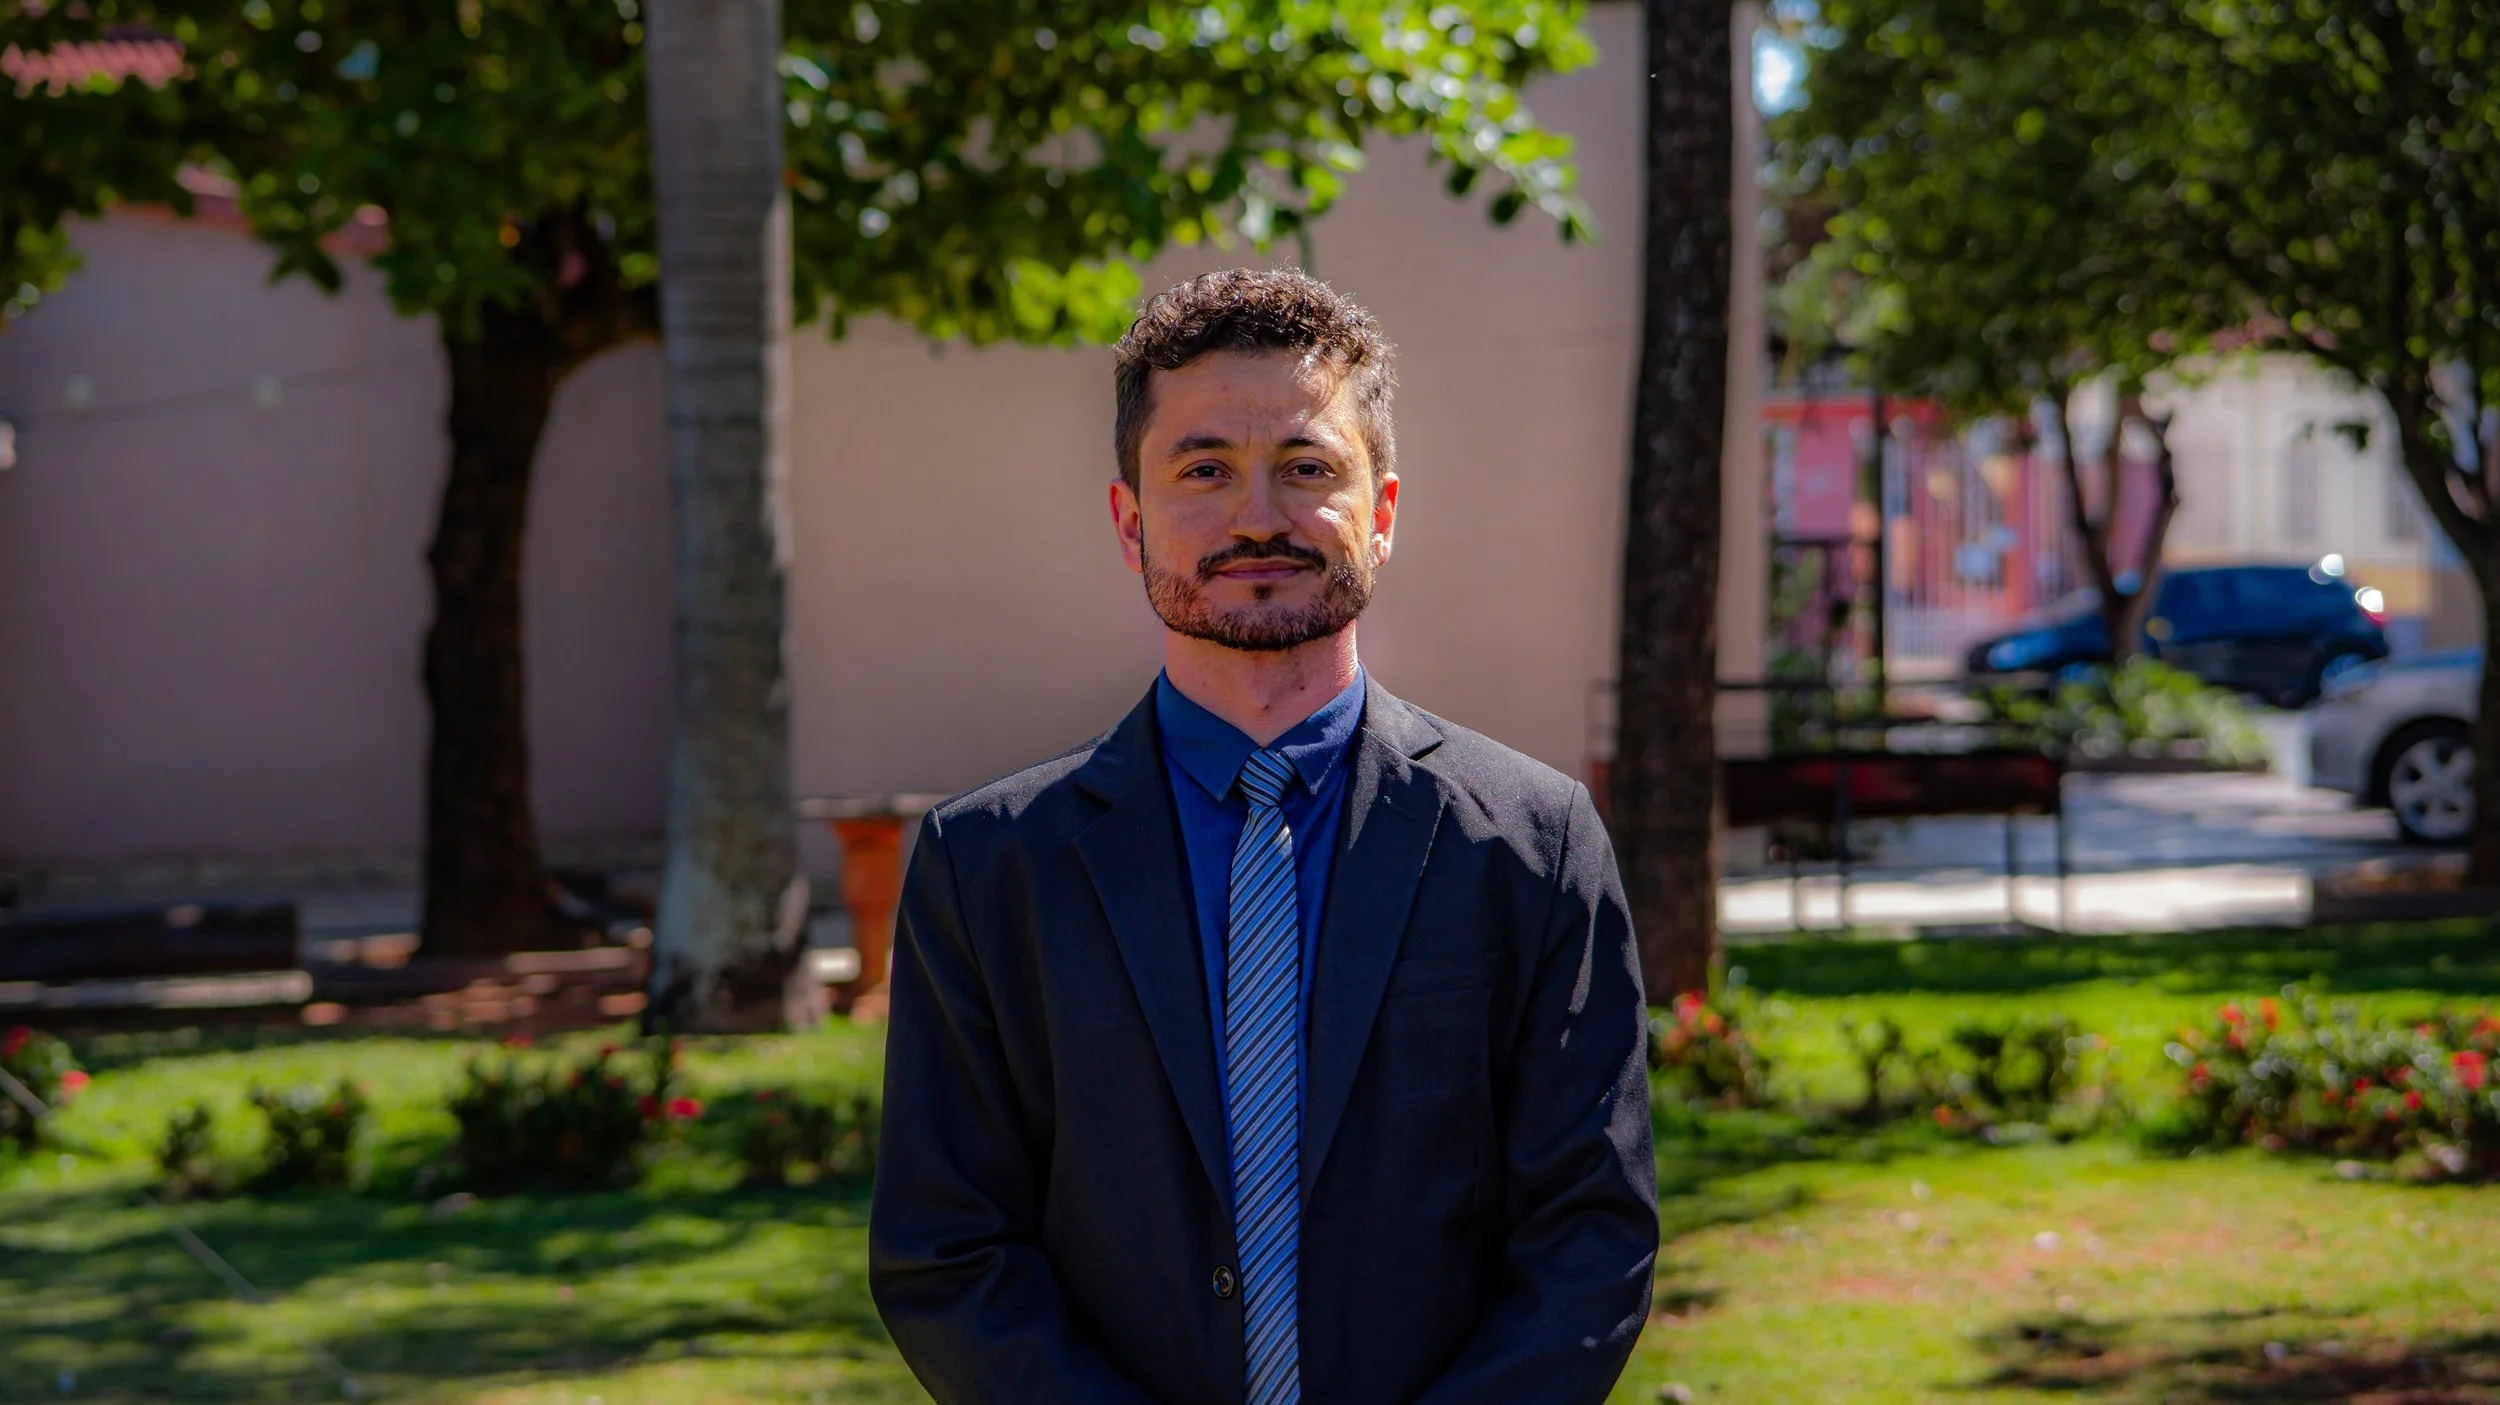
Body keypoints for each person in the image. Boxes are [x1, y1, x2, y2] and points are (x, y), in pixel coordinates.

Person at [870, 268, 1657, 1405]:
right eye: (1203, 471)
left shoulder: (1532, 844)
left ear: (1380, 513)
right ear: (1129, 519)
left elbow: (1589, 1240)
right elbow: (946, 1252)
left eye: (1306, 469)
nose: (1255, 517)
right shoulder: (989, 868)